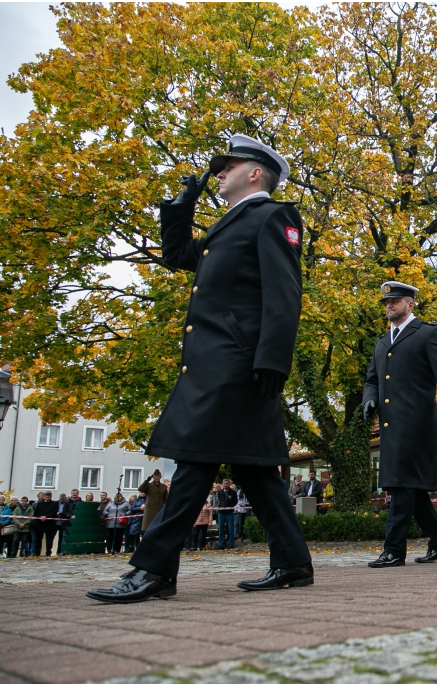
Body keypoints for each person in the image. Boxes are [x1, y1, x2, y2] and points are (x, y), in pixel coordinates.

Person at [87, 134, 313, 603]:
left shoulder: (274, 216)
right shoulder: (224, 226)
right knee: (254, 469)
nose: (219, 171)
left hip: (237, 362)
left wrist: (274, 358)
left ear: (255, 173)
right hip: (215, 361)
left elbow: (285, 292)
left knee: (194, 458)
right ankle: (292, 562)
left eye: (229, 165)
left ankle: (153, 570)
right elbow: (178, 257)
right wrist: (180, 207)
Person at [362, 281, 437, 568]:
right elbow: (372, 379)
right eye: (386, 302)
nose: (389, 305)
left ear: (410, 304)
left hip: (416, 423)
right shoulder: (382, 343)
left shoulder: (428, 333)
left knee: (400, 485)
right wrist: (369, 399)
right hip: (390, 426)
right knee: (412, 488)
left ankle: (394, 549)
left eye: (395, 301)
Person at [137, 470, 167, 535]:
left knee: (157, 529)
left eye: (158, 476)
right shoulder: (149, 485)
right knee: (148, 528)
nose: (157, 477)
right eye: (155, 476)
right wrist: (147, 480)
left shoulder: (163, 487)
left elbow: (166, 499)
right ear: (153, 476)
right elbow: (140, 489)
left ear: (160, 476)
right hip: (150, 510)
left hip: (159, 509)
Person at [32, 491, 59, 557]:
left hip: (49, 523)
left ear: (51, 496)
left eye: (49, 495)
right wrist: (41, 517)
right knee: (38, 539)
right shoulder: (39, 503)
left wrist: (46, 517)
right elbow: (36, 513)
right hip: (40, 523)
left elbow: (54, 512)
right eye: (46, 495)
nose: (47, 497)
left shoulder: (54, 503)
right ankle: (37, 553)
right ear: (44, 496)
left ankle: (48, 552)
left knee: (49, 539)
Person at [215, 479, 238, 549]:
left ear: (229, 484)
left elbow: (235, 501)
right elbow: (218, 500)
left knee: (230, 529)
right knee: (221, 529)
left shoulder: (233, 492)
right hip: (221, 513)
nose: (225, 485)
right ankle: (221, 544)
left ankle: (231, 544)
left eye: (226, 483)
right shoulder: (219, 492)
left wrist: (231, 506)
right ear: (222, 484)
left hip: (229, 513)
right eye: (224, 483)